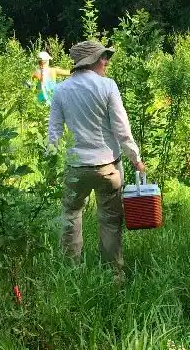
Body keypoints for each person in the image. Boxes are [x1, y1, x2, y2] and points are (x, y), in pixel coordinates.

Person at [47, 40, 145, 276]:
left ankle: (71, 272)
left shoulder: (61, 90)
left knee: (71, 215)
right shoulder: (107, 86)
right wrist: (135, 158)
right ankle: (114, 274)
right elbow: (122, 129)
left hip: (76, 167)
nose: (107, 62)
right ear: (92, 61)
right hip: (108, 167)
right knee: (110, 220)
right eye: (104, 57)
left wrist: (50, 166)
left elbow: (54, 133)